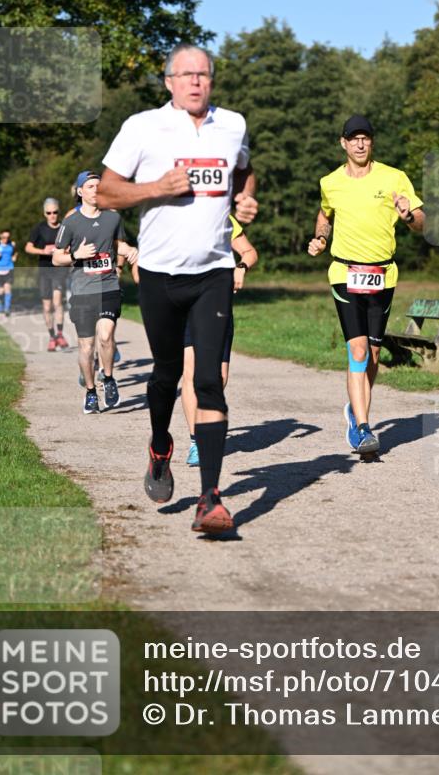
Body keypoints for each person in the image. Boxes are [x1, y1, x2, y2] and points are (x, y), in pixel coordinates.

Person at [98, 42, 258, 535]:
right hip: (160, 276)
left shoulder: (232, 125)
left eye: (203, 75)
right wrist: (156, 189)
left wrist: (245, 201)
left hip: (213, 272)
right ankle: (160, 445)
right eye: (185, 74)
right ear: (168, 82)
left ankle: (210, 498)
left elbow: (244, 171)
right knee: (166, 374)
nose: (195, 82)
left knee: (207, 379)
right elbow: (105, 191)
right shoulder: (142, 127)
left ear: (212, 80)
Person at [308, 114, 425, 456]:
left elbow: (420, 223)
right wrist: (320, 238)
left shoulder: (394, 178)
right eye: (353, 138)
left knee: (373, 354)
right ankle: (362, 427)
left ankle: (354, 408)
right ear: (343, 143)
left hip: (382, 275)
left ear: (372, 142)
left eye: (366, 138)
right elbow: (324, 214)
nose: (360, 143)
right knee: (357, 351)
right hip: (345, 273)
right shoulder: (330, 182)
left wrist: (407, 215)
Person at [53, 171, 138, 414]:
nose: (95, 190)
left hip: (108, 285)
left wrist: (129, 249)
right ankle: (90, 392)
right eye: (90, 186)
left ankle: (109, 379)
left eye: (98, 186)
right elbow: (56, 257)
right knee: (86, 347)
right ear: (80, 191)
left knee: (106, 335)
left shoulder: (113, 218)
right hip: (82, 290)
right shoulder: (70, 223)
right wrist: (75, 256)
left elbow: (116, 245)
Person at [182, 216, 258, 466]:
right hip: (185, 303)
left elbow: (249, 252)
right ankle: (196, 441)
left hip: (218, 304)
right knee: (192, 374)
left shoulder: (223, 217)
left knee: (218, 378)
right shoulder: (174, 213)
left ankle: (205, 422)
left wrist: (241, 267)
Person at [25, 198, 69, 351]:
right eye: (49, 213)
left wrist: (64, 251)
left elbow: (72, 245)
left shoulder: (64, 227)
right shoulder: (39, 229)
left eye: (55, 212)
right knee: (47, 305)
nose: (52, 215)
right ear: (44, 213)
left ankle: (60, 334)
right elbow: (28, 247)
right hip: (44, 269)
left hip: (59, 269)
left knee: (57, 302)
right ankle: (52, 336)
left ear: (59, 212)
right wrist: (42, 251)